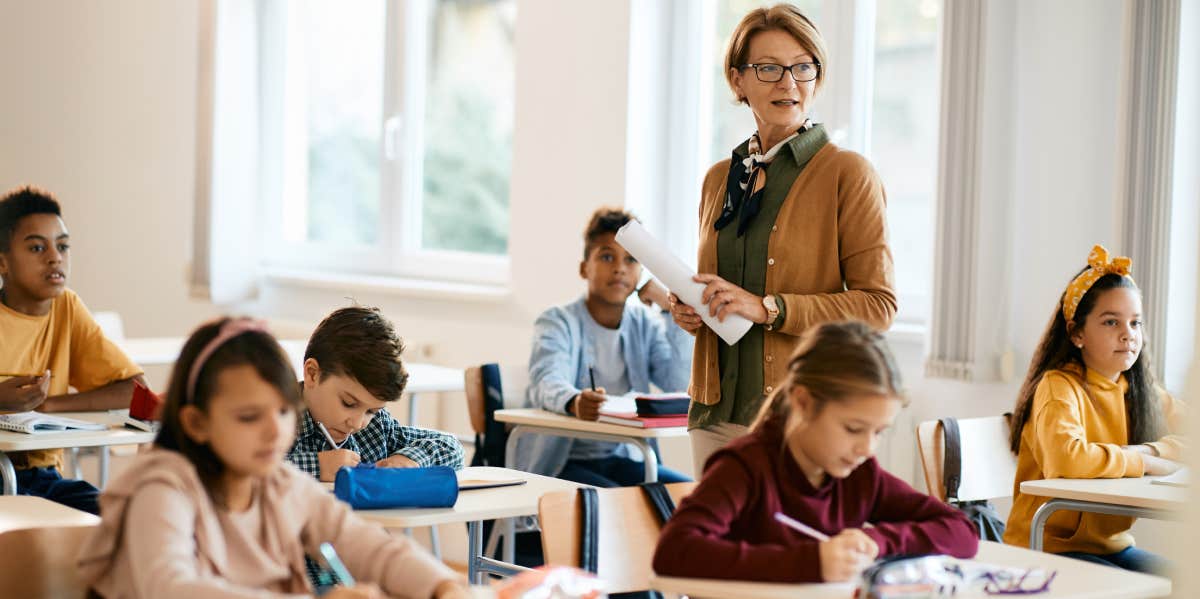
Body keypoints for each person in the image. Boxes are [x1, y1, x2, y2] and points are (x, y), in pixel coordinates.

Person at [76, 317, 469, 599]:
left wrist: (442, 585)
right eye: (249, 416)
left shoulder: (281, 484)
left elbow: (370, 547)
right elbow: (169, 587)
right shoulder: (163, 488)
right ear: (196, 423)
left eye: (282, 412)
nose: (274, 432)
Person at [669, 4, 896, 473]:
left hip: (799, 415)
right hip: (714, 411)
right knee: (718, 546)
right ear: (738, 80)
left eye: (803, 67)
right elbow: (729, 294)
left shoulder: (848, 174)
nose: (788, 83)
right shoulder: (719, 178)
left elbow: (878, 307)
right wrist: (693, 307)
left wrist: (769, 308)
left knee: (789, 546)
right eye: (769, 68)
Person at [653, 321, 976, 582]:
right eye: (853, 429)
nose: (866, 448)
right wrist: (811, 562)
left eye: (878, 433)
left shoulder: (859, 473)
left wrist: (878, 542)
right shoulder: (745, 467)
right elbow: (675, 551)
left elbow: (961, 531)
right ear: (804, 403)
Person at [1004, 245, 1185, 574]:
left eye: (1135, 323)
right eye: (1111, 322)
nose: (1127, 335)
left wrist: (1151, 449)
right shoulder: (1058, 387)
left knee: (1187, 581)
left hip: (1113, 547)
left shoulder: (1141, 393)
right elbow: (1066, 458)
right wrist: (1144, 462)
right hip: (1047, 547)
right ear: (1076, 334)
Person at [516, 207, 693, 487]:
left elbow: (679, 381)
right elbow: (546, 381)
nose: (620, 268)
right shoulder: (557, 321)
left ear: (642, 272)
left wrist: (671, 309)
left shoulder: (643, 325)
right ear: (584, 268)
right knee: (619, 507)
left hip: (624, 456)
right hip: (562, 463)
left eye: (631, 259)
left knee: (689, 495)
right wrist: (574, 402)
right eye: (607, 256)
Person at [0, 185, 145, 514]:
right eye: (37, 248)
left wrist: (49, 405)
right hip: (1, 476)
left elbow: (133, 390)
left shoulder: (66, 307)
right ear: (3, 263)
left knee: (122, 522)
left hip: (44, 479)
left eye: (63, 246)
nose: (55, 257)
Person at [286, 305, 465, 482]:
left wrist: (410, 460)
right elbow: (258, 475)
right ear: (312, 374)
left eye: (371, 411)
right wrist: (317, 467)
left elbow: (452, 447)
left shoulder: (376, 427)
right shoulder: (274, 418)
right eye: (348, 403)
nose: (357, 424)